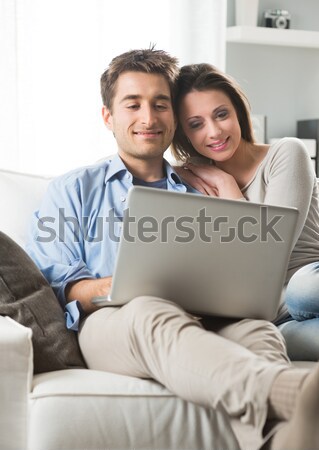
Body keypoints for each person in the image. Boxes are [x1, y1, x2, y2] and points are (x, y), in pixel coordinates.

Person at [26, 48, 319, 450]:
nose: (148, 118)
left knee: (257, 329)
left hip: (209, 316)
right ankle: (294, 390)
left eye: (160, 105)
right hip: (115, 322)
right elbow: (61, 284)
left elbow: (246, 269)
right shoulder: (74, 189)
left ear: (172, 119)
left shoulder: (201, 186)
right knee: (148, 309)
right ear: (109, 117)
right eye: (133, 104)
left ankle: (280, 440)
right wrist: (129, 285)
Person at [172, 62, 319, 362]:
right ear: (184, 133)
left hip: (308, 289)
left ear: (238, 111)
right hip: (274, 321)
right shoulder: (191, 186)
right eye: (196, 124)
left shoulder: (287, 153)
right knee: (278, 338)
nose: (214, 132)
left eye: (221, 114)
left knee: (302, 289)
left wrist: (227, 185)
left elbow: (266, 255)